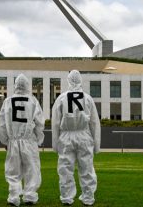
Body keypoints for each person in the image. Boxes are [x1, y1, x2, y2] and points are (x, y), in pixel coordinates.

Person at [52, 69, 100, 206]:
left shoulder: (61, 98)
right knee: (87, 167)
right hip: (84, 135)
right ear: (81, 81)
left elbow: (55, 122)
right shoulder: (87, 98)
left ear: (68, 81)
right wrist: (96, 145)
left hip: (66, 135)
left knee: (65, 168)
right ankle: (88, 197)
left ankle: (67, 198)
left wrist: (55, 144)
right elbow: (94, 123)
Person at [0, 74, 45, 207]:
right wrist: (39, 138)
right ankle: (29, 196)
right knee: (32, 169)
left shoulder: (8, 101)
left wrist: (5, 141)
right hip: (29, 140)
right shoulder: (32, 101)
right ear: (27, 85)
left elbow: (2, 123)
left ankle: (13, 197)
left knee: (13, 170)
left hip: (13, 140)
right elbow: (39, 122)